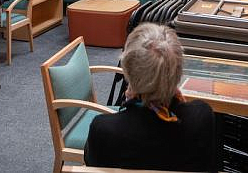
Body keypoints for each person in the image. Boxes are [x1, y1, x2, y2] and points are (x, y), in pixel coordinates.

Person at [84, 23, 215, 171]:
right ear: (178, 71)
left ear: (128, 71)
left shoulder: (103, 129)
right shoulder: (202, 116)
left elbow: (91, 163)